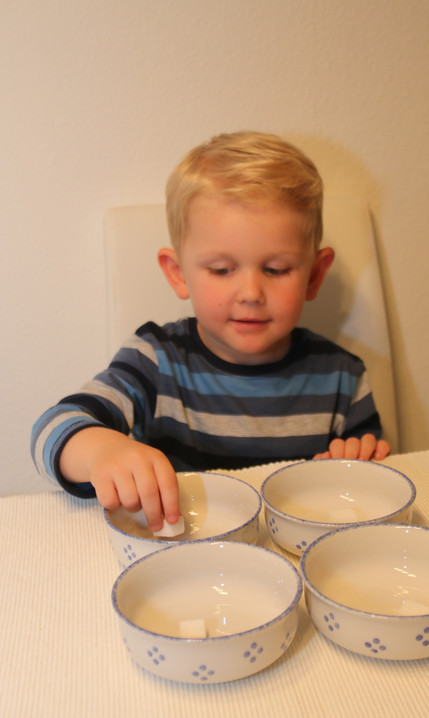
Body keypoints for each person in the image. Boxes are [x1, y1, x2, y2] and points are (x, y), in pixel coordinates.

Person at [31, 131, 390, 532]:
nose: (251, 293)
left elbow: (376, 484)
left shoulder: (343, 377)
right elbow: (51, 429)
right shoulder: (156, 361)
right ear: (178, 274)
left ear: (315, 274)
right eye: (221, 270)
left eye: (276, 269)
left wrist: (358, 462)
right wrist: (101, 451)